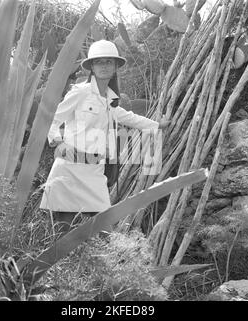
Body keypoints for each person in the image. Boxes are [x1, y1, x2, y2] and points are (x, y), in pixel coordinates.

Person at [40, 39, 170, 233]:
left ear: (116, 66)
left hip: (94, 172)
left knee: (103, 230)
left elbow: (128, 117)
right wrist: (57, 143)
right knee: (62, 232)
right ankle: (63, 263)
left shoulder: (110, 99)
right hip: (70, 169)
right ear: (91, 66)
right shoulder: (81, 92)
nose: (104, 66)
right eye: (99, 62)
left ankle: (95, 263)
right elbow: (52, 119)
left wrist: (157, 125)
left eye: (109, 62)